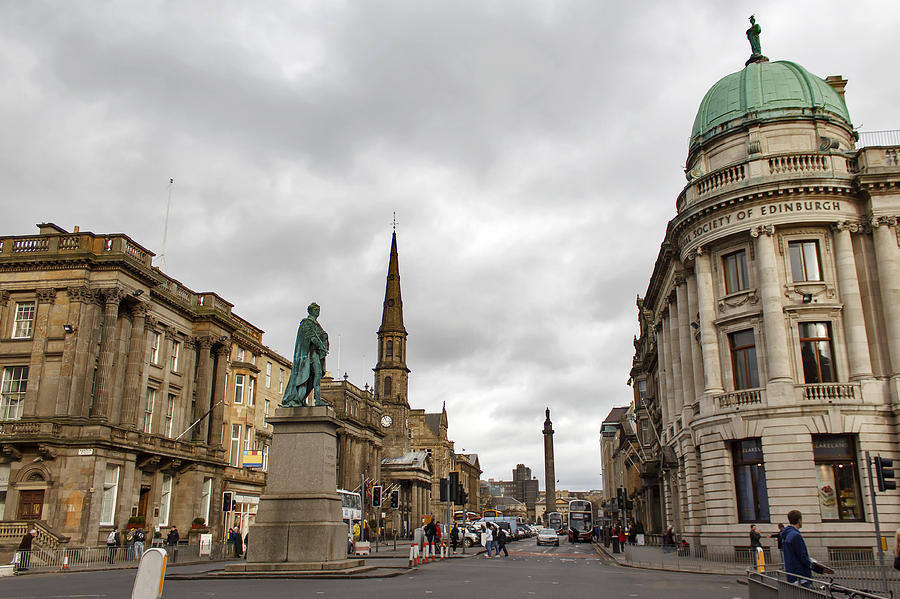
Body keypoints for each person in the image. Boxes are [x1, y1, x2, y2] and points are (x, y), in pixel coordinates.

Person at [281, 302, 329, 407]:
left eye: (318, 310)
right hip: (308, 355)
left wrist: (324, 338)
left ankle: (317, 400)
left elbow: (322, 336)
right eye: (316, 310)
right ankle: (301, 398)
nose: (318, 312)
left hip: (315, 354)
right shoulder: (306, 323)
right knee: (313, 374)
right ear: (311, 311)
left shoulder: (317, 325)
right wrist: (319, 344)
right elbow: (309, 337)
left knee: (318, 374)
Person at [781, 510, 832, 586]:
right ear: (799, 520)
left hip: (792, 574)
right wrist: (820, 569)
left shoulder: (786, 535)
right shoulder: (795, 535)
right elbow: (803, 557)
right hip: (801, 575)